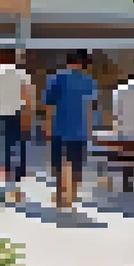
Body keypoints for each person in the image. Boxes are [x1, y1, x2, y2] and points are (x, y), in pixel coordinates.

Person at [42, 51, 98, 214]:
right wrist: (89, 130)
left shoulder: (56, 79)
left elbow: (49, 105)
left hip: (59, 129)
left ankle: (61, 198)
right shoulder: (89, 81)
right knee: (76, 166)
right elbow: (89, 108)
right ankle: (71, 198)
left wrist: (47, 126)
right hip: (80, 130)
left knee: (58, 165)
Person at [0, 49, 36, 204]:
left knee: (7, 146)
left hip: (4, 113)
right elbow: (27, 96)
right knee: (21, 144)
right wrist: (28, 114)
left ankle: (9, 177)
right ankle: (19, 176)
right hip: (19, 112)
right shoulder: (22, 74)